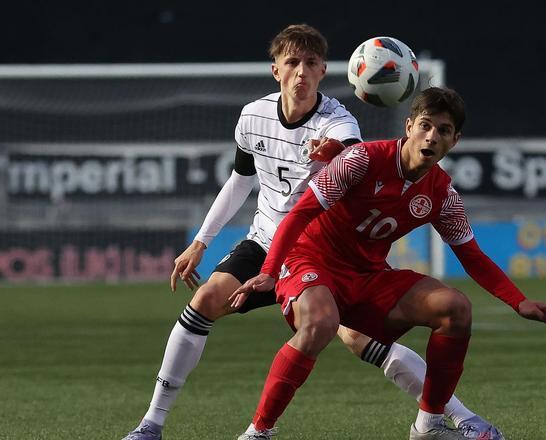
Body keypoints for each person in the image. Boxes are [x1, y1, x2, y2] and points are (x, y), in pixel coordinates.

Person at [121, 26, 502, 440]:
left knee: (357, 336)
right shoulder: (253, 116)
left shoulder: (338, 121)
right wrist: (201, 241)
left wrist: (336, 151)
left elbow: (354, 156)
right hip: (268, 240)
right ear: (276, 70)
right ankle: (151, 425)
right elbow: (239, 181)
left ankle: (456, 417)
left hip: (322, 249)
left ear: (324, 71)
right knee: (206, 300)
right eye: (292, 63)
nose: (301, 72)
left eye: (311, 64)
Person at [231, 87, 546, 440]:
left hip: (367, 275)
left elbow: (472, 256)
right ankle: (258, 432)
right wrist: (269, 271)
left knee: (454, 308)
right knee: (320, 322)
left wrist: (519, 301)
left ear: (455, 141)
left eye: (443, 130)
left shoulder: (443, 195)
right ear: (408, 127)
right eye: (425, 125)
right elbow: (299, 215)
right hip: (310, 259)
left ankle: (429, 426)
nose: (431, 136)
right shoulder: (360, 160)